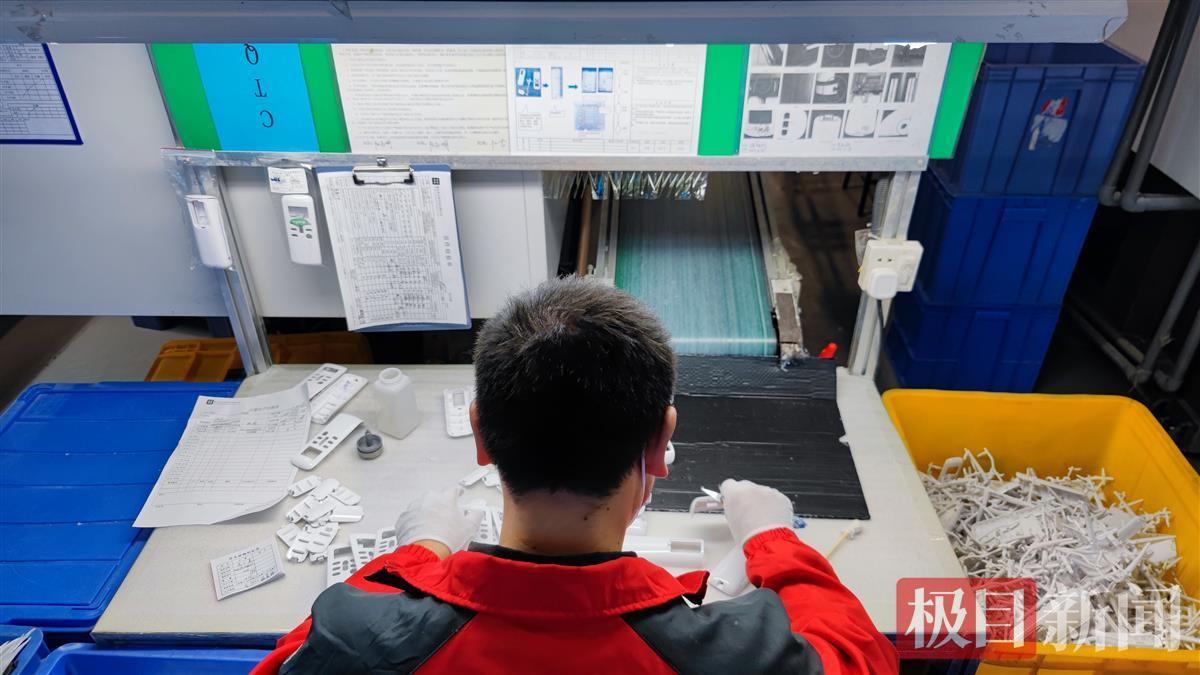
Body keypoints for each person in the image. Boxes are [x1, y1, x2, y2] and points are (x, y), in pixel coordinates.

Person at [253, 277, 897, 674]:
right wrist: (773, 542)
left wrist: (420, 553)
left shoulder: (359, 639)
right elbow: (862, 657)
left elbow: (293, 657)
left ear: (480, 434)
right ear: (661, 443)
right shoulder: (736, 656)